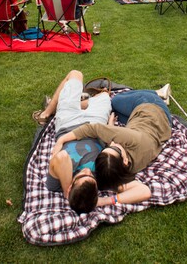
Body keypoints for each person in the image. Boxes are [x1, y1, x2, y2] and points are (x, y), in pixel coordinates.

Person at [33, 70, 151, 213]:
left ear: (71, 187)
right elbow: (144, 191)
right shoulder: (101, 179)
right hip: (96, 123)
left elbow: (62, 157)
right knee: (104, 95)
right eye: (91, 176)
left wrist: (66, 190)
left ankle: (53, 110)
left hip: (67, 123)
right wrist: (106, 200)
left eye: (83, 175)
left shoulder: (57, 183)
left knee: (75, 74)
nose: (88, 171)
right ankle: (69, 105)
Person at [52, 83, 173, 192]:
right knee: (115, 101)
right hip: (153, 108)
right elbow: (94, 129)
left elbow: (98, 132)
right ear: (125, 161)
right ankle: (158, 94)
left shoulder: (120, 171)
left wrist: (111, 125)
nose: (113, 143)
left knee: (114, 106)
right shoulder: (131, 141)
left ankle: (158, 94)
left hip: (149, 124)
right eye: (115, 148)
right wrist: (61, 141)